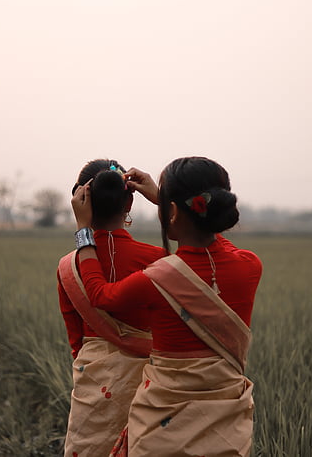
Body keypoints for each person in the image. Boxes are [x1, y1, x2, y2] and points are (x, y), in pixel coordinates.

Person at [71, 156, 263, 457]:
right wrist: (168, 202)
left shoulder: (157, 277)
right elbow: (217, 244)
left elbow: (100, 295)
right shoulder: (250, 266)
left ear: (171, 211)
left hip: (161, 426)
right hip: (227, 427)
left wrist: (84, 230)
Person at [57, 159, 165, 457]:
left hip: (93, 385)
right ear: (129, 202)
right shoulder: (159, 259)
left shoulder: (70, 266)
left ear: (80, 202)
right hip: (151, 385)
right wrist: (164, 202)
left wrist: (97, 376)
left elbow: (75, 341)